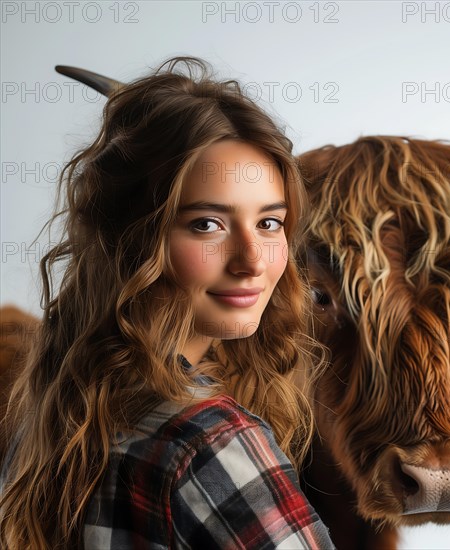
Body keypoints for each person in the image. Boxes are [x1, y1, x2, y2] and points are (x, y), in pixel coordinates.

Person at [0, 57, 334, 549]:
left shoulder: (48, 420)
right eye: (206, 224)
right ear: (132, 240)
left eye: (269, 223)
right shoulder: (209, 443)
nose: (251, 261)